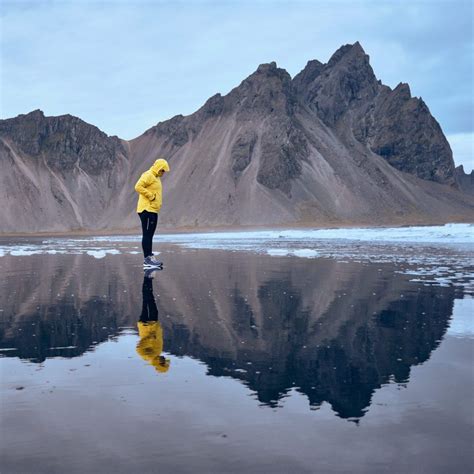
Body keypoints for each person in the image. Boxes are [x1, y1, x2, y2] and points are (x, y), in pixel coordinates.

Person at [134, 158, 170, 268]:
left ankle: (149, 257)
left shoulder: (156, 177)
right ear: (158, 168)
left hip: (152, 209)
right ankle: (147, 259)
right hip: (147, 209)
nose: (163, 173)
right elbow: (138, 186)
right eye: (162, 170)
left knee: (150, 235)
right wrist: (151, 196)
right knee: (147, 234)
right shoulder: (148, 175)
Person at [136, 271, 170, 373]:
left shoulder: (148, 356)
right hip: (154, 324)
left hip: (145, 324)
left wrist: (150, 338)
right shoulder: (157, 353)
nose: (164, 359)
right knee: (150, 300)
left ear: (159, 364)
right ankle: (148, 280)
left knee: (147, 300)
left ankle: (147, 279)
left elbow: (139, 348)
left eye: (163, 362)